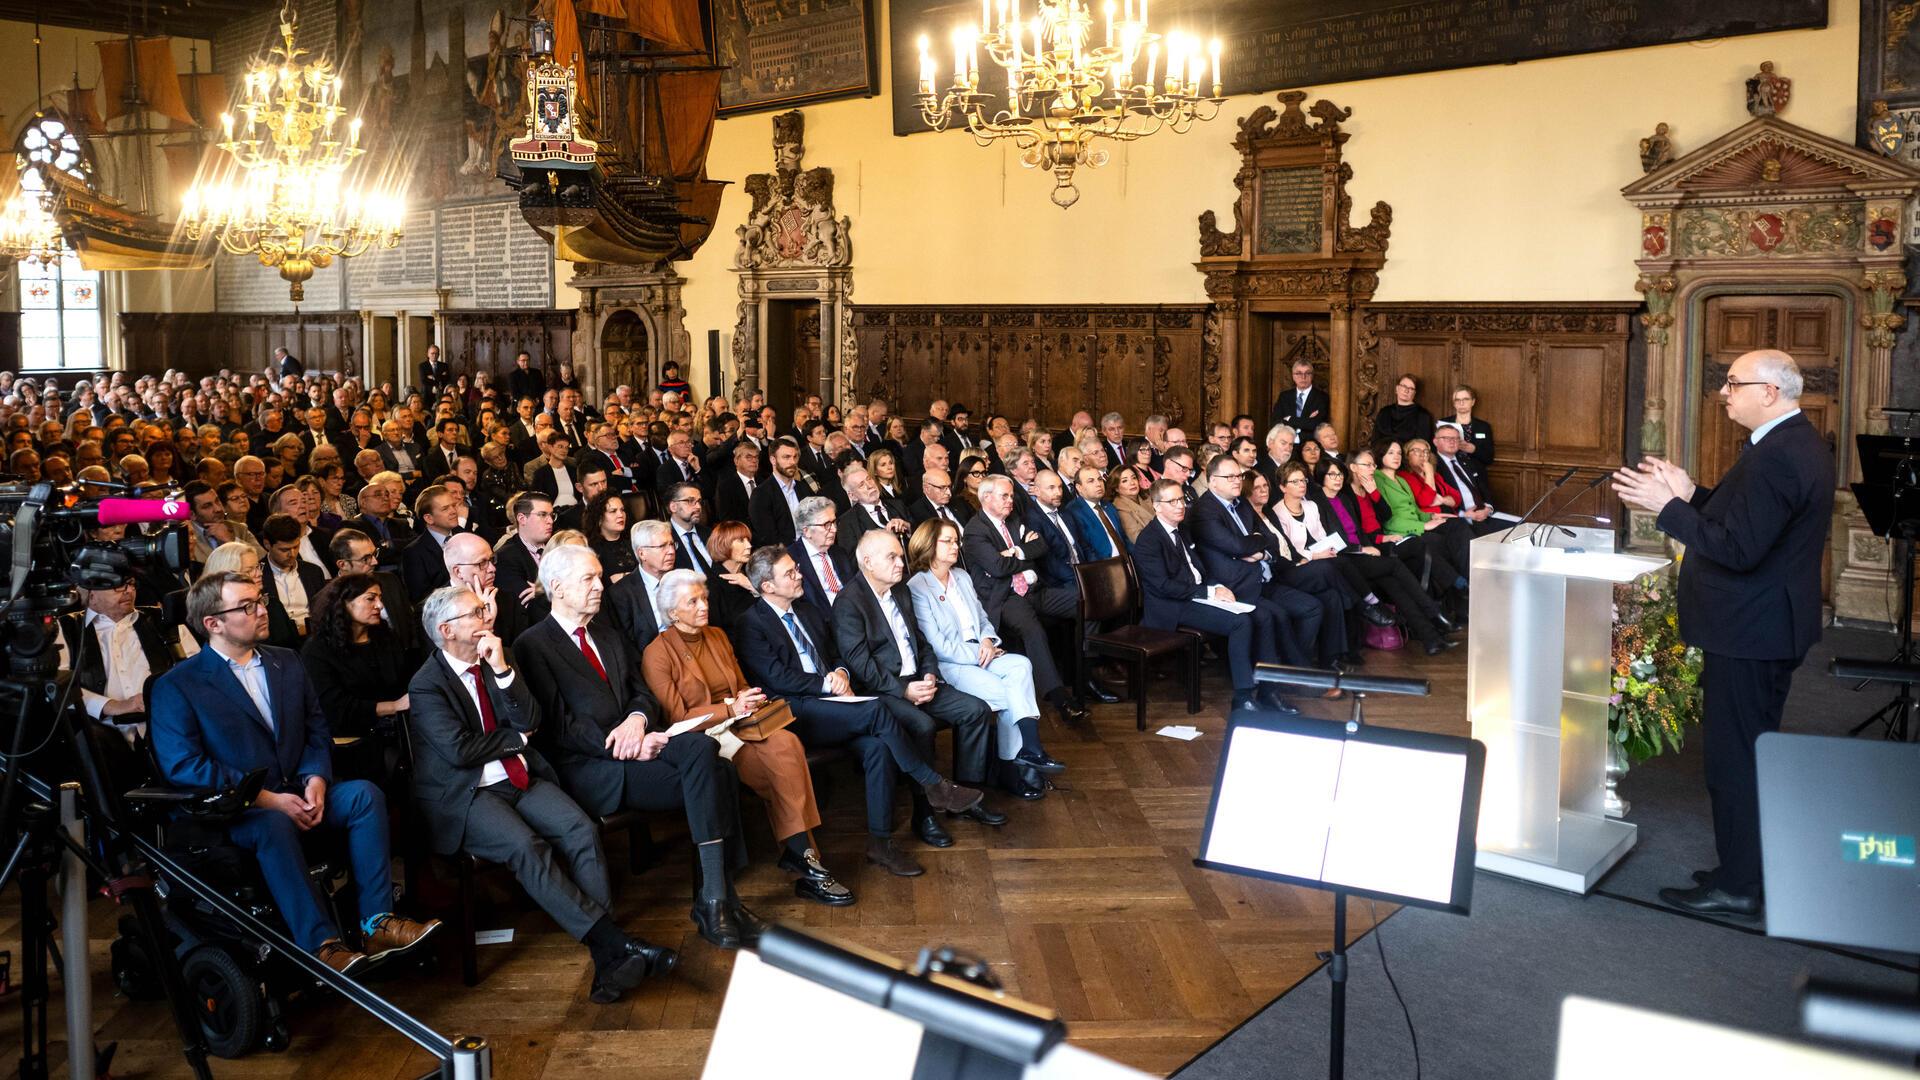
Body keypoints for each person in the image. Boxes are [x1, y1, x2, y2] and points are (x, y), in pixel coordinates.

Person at [1611, 349, 1833, 919]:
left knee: (1735, 761)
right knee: (1747, 754)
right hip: (1761, 625)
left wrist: (1667, 508)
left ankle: (1739, 885)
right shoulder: (1788, 443)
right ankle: (1744, 869)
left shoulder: (1779, 456)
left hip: (1751, 631)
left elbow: (1736, 549)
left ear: (1771, 392)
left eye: (1734, 383)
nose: (1724, 392)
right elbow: (1746, 524)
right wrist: (1692, 495)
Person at [150, 571, 441, 976]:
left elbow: (316, 730)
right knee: (272, 824)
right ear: (212, 623)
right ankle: (319, 944)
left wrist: (316, 780)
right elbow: (184, 766)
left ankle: (376, 923)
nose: (262, 610)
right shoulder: (178, 685)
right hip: (234, 809)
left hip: (298, 789)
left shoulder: (286, 660)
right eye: (246, 606)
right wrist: (266, 798)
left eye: (261, 599)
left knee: (363, 795)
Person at [409, 584, 675, 1001]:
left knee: (581, 830)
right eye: (475, 613)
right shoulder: (426, 685)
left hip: (518, 778)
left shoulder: (499, 655)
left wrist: (501, 672)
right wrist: (516, 739)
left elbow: (532, 717)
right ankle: (612, 944)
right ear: (446, 630)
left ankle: (608, 955)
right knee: (528, 847)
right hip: (466, 795)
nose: (486, 618)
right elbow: (460, 750)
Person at [513, 545, 766, 949]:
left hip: (641, 741)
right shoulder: (532, 644)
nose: (600, 586)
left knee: (704, 752)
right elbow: (557, 726)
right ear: (557, 588)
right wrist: (622, 745)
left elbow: (642, 694)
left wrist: (637, 721)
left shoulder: (607, 634)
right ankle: (718, 900)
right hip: (593, 767)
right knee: (719, 771)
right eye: (589, 579)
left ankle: (715, 899)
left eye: (599, 577)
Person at [732, 546, 985, 875]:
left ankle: (880, 843)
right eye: (790, 573)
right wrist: (827, 684)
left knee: (878, 746)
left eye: (797, 568)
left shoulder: (806, 610)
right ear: (767, 586)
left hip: (833, 703)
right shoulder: (750, 623)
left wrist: (840, 673)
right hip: (794, 711)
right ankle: (932, 784)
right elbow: (775, 677)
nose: (800, 576)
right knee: (878, 710)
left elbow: (836, 652)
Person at [641, 569, 855, 908]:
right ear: (671, 613)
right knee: (774, 769)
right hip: (705, 734)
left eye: (705, 598)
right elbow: (677, 718)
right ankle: (805, 858)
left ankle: (802, 854)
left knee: (789, 744)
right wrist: (730, 708)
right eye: (692, 602)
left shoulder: (717, 636)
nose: (703, 606)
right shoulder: (657, 653)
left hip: (744, 720)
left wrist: (747, 698)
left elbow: (739, 683)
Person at [832, 531, 1005, 828]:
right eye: (892, 557)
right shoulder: (849, 602)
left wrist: (928, 673)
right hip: (882, 691)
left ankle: (965, 796)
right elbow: (861, 666)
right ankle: (924, 815)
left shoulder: (899, 591)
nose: (901, 563)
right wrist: (904, 690)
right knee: (922, 725)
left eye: (900, 555)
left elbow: (922, 643)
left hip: (920, 680)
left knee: (976, 711)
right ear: (868, 562)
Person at [907, 519, 1063, 799]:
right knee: (1007, 694)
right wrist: (980, 651)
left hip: (982, 651)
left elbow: (982, 618)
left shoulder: (962, 577)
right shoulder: (918, 586)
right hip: (950, 665)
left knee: (1021, 664)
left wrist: (989, 640)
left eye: (956, 541)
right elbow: (937, 645)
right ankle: (1012, 765)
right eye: (947, 541)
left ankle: (1027, 751)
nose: (955, 546)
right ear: (928, 544)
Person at [1131, 480, 1281, 714]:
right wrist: (1209, 592)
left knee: (1263, 615)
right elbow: (1163, 586)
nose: (1180, 505)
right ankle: (1242, 696)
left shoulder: (1183, 529)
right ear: (1156, 506)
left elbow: (1200, 570)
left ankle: (1269, 690)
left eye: (1181, 499)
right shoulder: (1148, 540)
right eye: (1172, 501)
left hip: (1197, 596)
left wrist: (1217, 585)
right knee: (1241, 622)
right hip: (1172, 607)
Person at [961, 476, 1088, 725]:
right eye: (1004, 496)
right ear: (986, 498)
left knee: (1084, 601)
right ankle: (1060, 698)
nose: (1011, 500)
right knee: (1034, 631)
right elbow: (997, 567)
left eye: (1011, 495)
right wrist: (1022, 554)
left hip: (1033, 589)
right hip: (1004, 596)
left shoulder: (1015, 520)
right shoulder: (976, 530)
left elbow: (1040, 547)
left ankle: (1084, 674)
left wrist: (1017, 551)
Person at [1306, 460, 1458, 653]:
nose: (1337, 479)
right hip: (1347, 558)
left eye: (1340, 475)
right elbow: (1330, 540)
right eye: (1332, 475)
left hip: (1363, 552)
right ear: (1321, 477)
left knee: (1394, 585)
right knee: (1394, 566)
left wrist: (1369, 545)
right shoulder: (1317, 502)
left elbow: (1359, 530)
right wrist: (1362, 549)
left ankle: (1431, 639)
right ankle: (1434, 612)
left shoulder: (1344, 498)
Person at [301, 573, 421, 740]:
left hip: (398, 727)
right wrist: (393, 706)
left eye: (380, 598)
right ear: (344, 603)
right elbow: (335, 708)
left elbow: (404, 681)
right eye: (370, 599)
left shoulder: (385, 636)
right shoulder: (317, 650)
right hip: (351, 737)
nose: (380, 605)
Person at [1375, 440, 1473, 606]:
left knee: (1458, 525)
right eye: (1391, 453)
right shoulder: (1378, 479)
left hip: (1418, 523)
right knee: (1438, 542)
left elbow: (1417, 510)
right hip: (1402, 530)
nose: (1396, 456)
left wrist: (1432, 517)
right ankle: (1460, 587)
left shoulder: (1400, 480)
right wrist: (1423, 526)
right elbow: (1388, 517)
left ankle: (1470, 580)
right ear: (1381, 455)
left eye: (1398, 453)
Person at [494, 491, 555, 626]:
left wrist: (542, 591)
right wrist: (554, 591)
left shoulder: (558, 547)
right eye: (542, 515)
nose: (550, 521)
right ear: (522, 519)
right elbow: (530, 606)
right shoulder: (506, 557)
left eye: (551, 515)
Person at [1065, 465, 1131, 559]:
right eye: (1091, 481)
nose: (1098, 484)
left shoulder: (1108, 505)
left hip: (1127, 560)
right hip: (1103, 566)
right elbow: (1086, 550)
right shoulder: (1073, 512)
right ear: (1079, 487)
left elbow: (1123, 538)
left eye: (1099, 479)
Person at [704, 520, 758, 631]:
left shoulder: (751, 574)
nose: (749, 546)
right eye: (741, 540)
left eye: (748, 540)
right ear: (723, 544)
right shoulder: (712, 585)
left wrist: (752, 587)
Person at [583, 491, 635, 581]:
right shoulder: (592, 550)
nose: (620, 515)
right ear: (599, 518)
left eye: (622, 510)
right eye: (613, 511)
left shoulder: (634, 541)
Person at [1372, 372, 1434, 446]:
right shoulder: (1384, 412)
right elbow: (1375, 441)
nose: (1406, 390)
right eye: (1404, 386)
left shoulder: (1423, 415)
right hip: (1383, 455)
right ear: (1397, 388)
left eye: (1411, 388)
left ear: (1414, 393)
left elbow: (1422, 445)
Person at [1271, 358, 1331, 434]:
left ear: (1312, 376)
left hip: (1309, 443)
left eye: (1307, 373)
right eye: (1298, 373)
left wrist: (1289, 419)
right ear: (1293, 376)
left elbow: (1315, 425)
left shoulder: (1322, 397)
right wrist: (1306, 420)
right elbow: (1277, 422)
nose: (1303, 377)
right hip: (1287, 442)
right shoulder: (1284, 396)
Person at [1447, 384, 1495, 466]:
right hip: (1449, 472)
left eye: (1465, 399)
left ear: (1473, 402)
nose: (1461, 403)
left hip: (1475, 473)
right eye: (1457, 400)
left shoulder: (1483, 427)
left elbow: (1489, 458)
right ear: (1454, 403)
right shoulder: (1444, 423)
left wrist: (1474, 450)